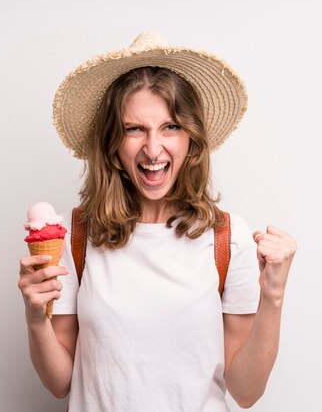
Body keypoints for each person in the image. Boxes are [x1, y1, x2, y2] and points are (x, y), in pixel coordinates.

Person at [18, 31, 297, 411]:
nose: (153, 148)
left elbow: (246, 391)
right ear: (113, 146)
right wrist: (36, 317)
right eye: (135, 129)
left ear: (191, 141)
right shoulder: (77, 236)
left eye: (170, 127)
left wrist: (273, 296)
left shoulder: (227, 240)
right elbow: (60, 382)